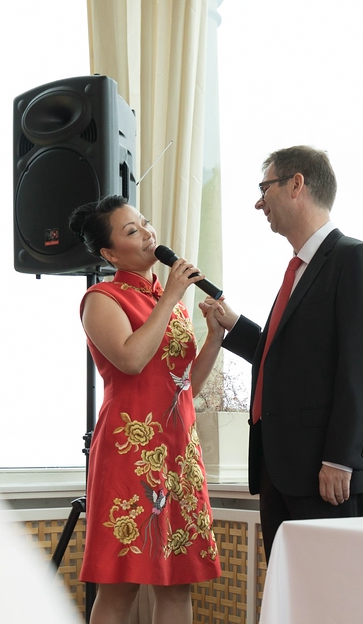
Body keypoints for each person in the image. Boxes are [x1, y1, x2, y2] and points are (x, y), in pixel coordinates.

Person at [205, 145, 363, 560]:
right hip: (279, 469)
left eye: (264, 187)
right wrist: (234, 326)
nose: (258, 202)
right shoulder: (297, 270)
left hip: (324, 473)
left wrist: (340, 460)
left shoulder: (354, 258)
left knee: (332, 600)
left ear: (296, 184)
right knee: (291, 598)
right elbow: (288, 361)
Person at [68, 196, 223, 624]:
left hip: (179, 452)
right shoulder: (102, 298)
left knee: (177, 584)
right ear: (109, 253)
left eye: (145, 223)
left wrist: (212, 338)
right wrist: (172, 295)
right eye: (132, 230)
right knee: (121, 586)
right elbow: (131, 359)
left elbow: (184, 386)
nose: (148, 233)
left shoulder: (166, 301)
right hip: (130, 453)